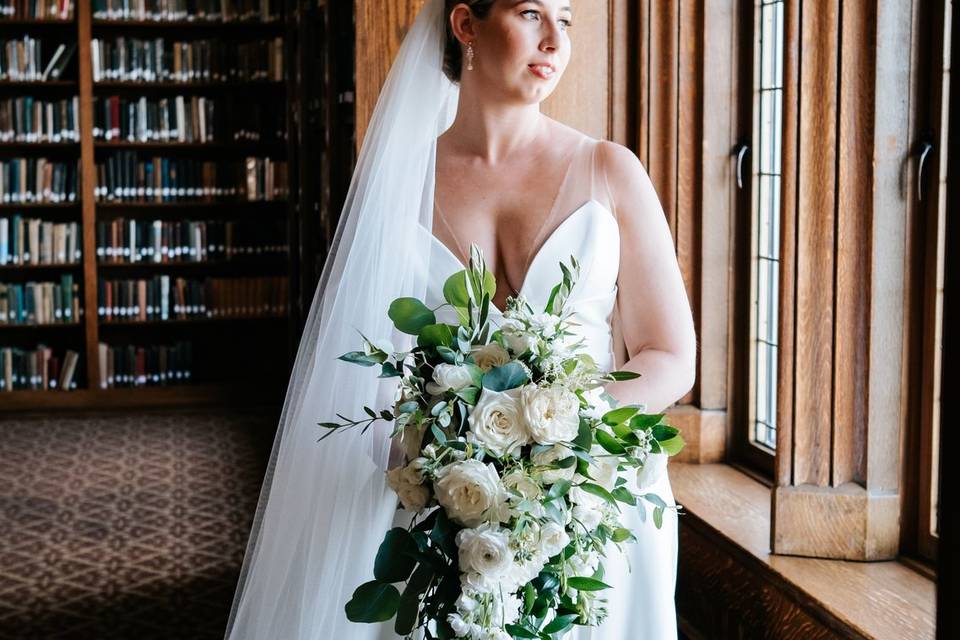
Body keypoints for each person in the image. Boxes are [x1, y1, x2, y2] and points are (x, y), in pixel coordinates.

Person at [224, 1, 696, 638]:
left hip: (590, 500)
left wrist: (559, 433)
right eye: (532, 13)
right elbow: (364, 359)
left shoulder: (610, 171)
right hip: (443, 496)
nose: (555, 40)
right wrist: (451, 456)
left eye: (567, 19)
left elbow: (670, 356)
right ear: (466, 24)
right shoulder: (399, 182)